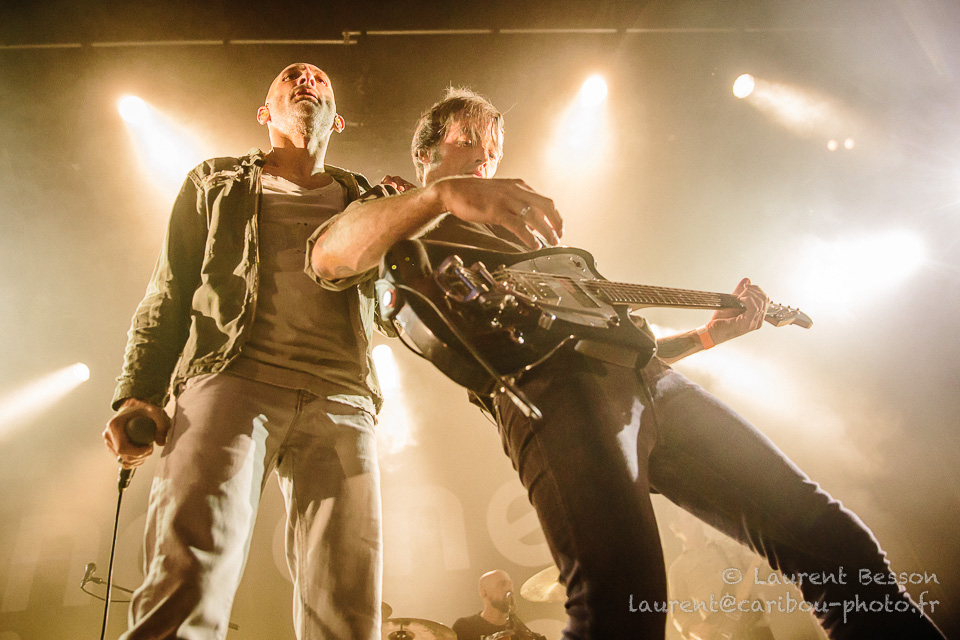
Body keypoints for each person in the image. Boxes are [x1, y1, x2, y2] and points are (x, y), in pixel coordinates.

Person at [308, 88, 946, 639]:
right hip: (552, 390)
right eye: (469, 140)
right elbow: (329, 256)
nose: (485, 158)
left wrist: (706, 336)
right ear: (426, 153)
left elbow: (623, 340)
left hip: (650, 381)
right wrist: (444, 196)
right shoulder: (395, 205)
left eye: (494, 150)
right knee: (621, 607)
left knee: (831, 542)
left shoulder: (532, 244)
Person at [102, 62, 394, 640]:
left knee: (349, 604)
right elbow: (169, 291)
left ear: (338, 120)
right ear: (265, 114)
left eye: (320, 78)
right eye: (292, 76)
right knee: (190, 574)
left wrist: (406, 224)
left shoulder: (364, 198)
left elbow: (394, 307)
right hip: (232, 378)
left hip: (343, 394)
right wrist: (139, 393)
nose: (307, 79)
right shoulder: (215, 181)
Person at [452, 570, 514, 640]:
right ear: (484, 593)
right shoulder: (464, 627)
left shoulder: (518, 628)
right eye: (502, 584)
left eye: (510, 584)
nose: (509, 589)